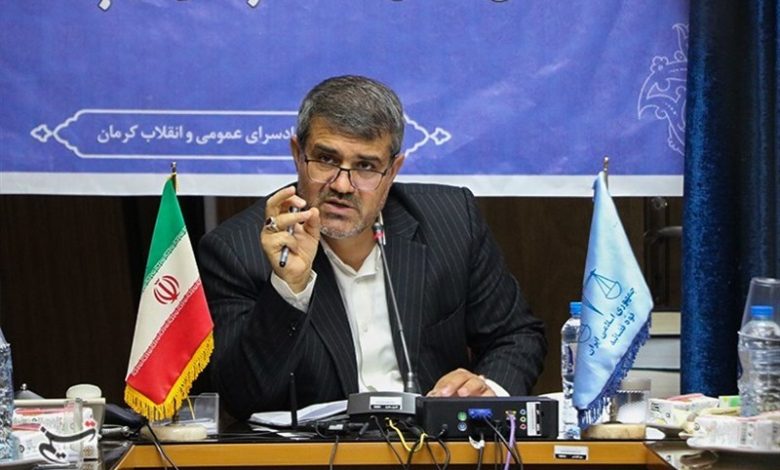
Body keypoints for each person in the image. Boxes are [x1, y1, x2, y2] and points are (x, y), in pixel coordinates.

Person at [198, 75, 546, 420]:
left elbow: (516, 336)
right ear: (297, 154)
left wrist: (485, 391)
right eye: (326, 160)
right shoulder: (237, 250)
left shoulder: (452, 221)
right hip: (318, 450)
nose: (342, 185)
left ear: (393, 170)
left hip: (432, 445)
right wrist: (289, 289)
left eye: (365, 166)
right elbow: (242, 399)